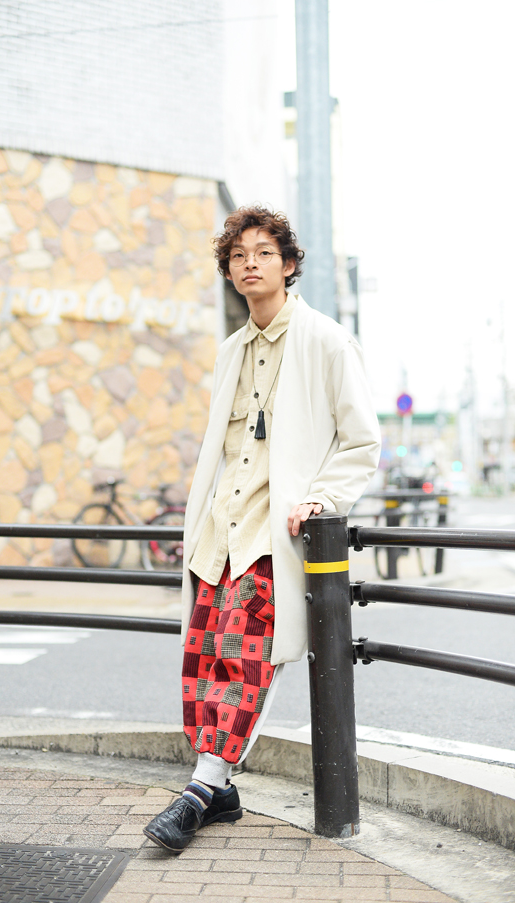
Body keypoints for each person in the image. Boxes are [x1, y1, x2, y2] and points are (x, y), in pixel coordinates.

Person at [143, 206, 380, 853]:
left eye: (264, 252)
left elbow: (362, 441)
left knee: (246, 664)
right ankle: (221, 793)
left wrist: (321, 497)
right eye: (238, 255)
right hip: (217, 538)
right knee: (203, 663)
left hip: (272, 538)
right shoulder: (231, 351)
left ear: (289, 263)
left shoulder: (326, 341)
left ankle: (199, 792)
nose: (250, 263)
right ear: (228, 270)